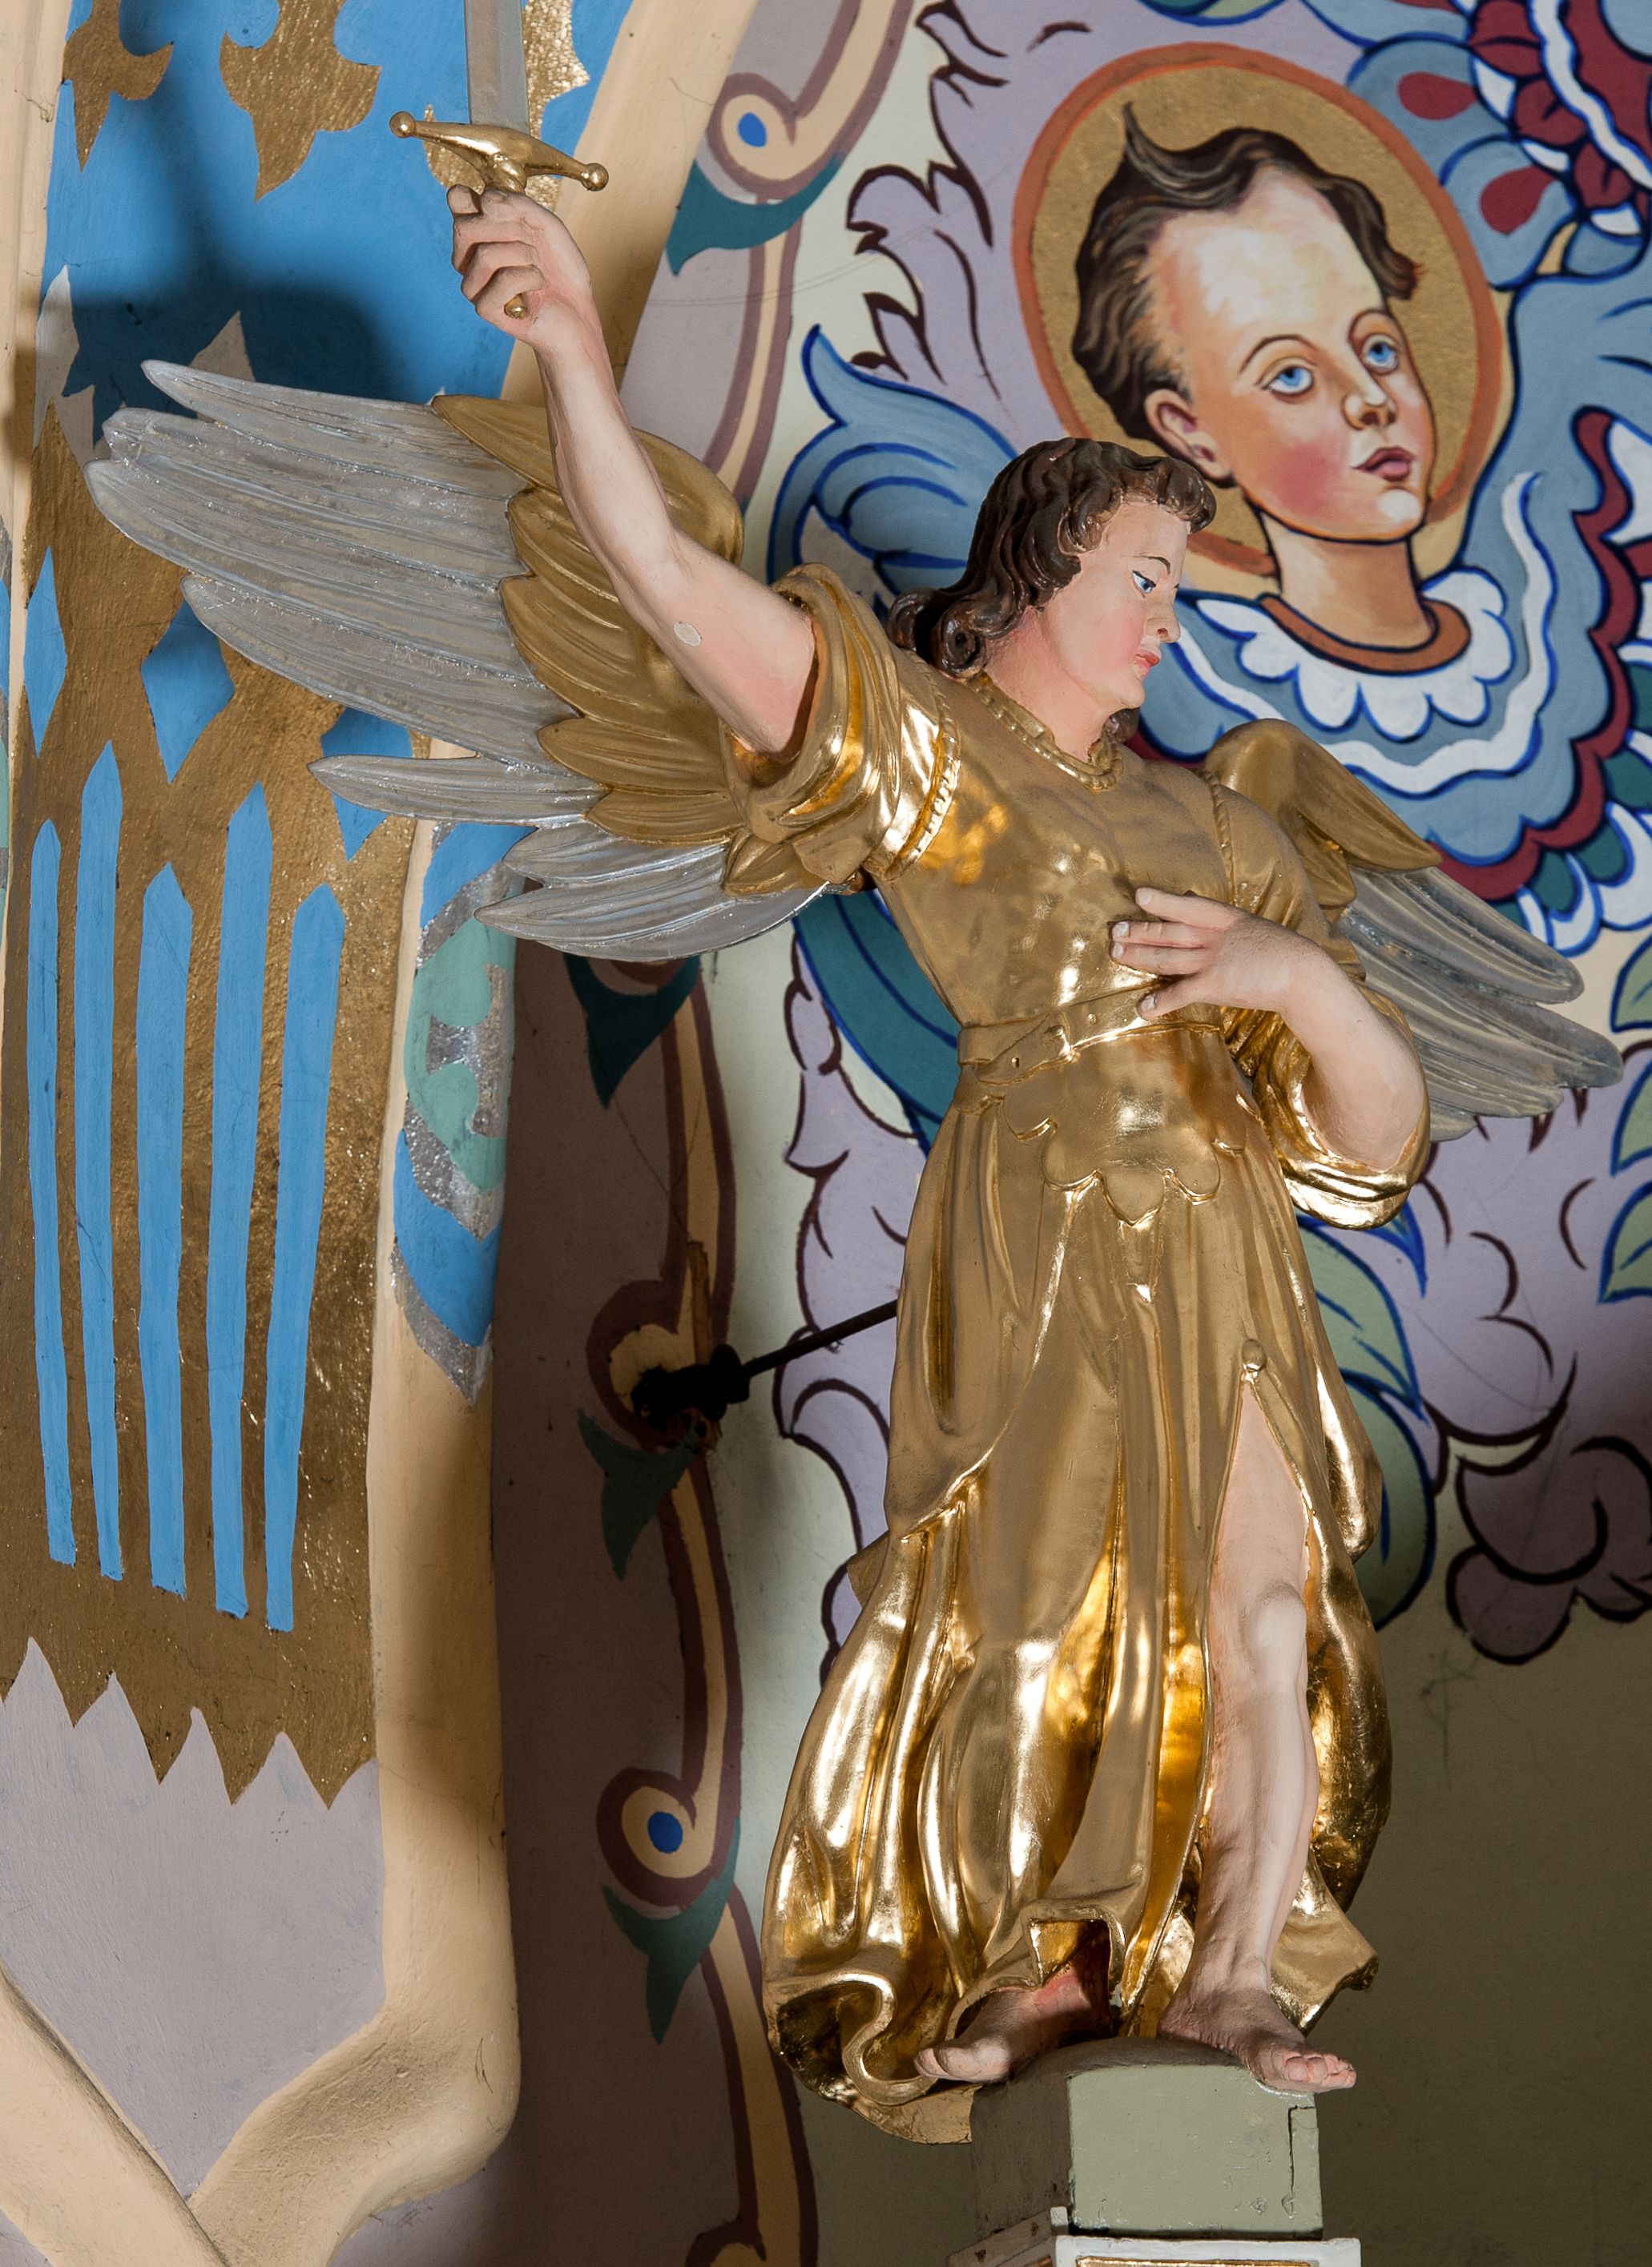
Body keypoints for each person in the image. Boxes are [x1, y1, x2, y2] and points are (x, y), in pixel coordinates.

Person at [448, 181, 1428, 2129]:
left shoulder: (1224, 836)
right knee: (1026, 1610)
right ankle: (1030, 1958)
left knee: (1256, 1616)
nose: (1166, 618)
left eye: (1175, 586)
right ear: (1045, 569)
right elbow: (660, 579)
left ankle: (1230, 1971)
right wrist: (566, 348)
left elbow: (1373, 1147)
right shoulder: (920, 749)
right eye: (1144, 575)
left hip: (1220, 1234)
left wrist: (1297, 982)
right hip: (1040, 1224)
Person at [1074, 111, 1453, 665]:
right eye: (1292, 377)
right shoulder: (1190, 671)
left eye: (1378, 349)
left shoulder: (1537, 588)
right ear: (1193, 433)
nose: (1372, 400)